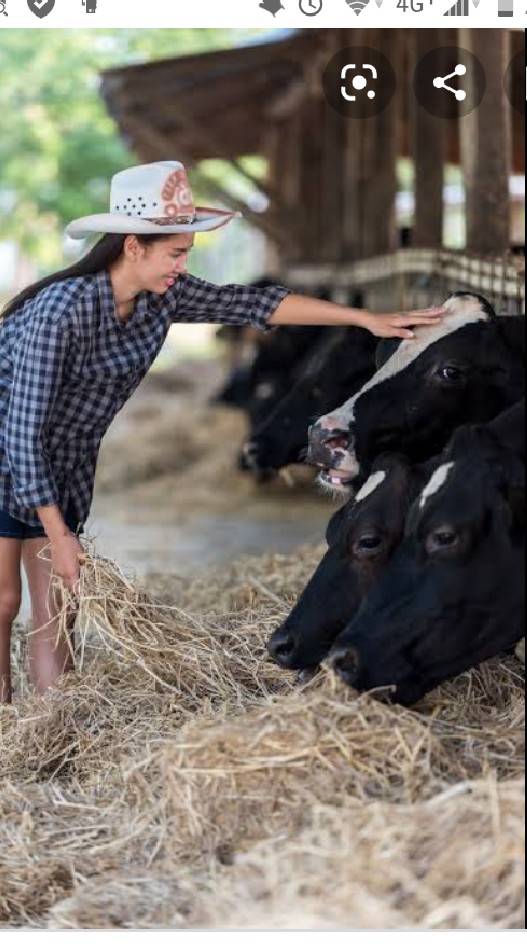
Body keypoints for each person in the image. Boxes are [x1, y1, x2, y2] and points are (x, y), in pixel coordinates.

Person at [0, 160, 445, 704]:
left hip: (66, 462)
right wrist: (60, 533)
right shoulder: (58, 313)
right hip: (8, 453)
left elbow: (256, 303)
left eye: (187, 252)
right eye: (176, 253)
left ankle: (48, 721)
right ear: (133, 246)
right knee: (2, 599)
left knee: (58, 607)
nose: (183, 266)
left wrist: (364, 320)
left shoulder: (163, 296)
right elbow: (22, 432)